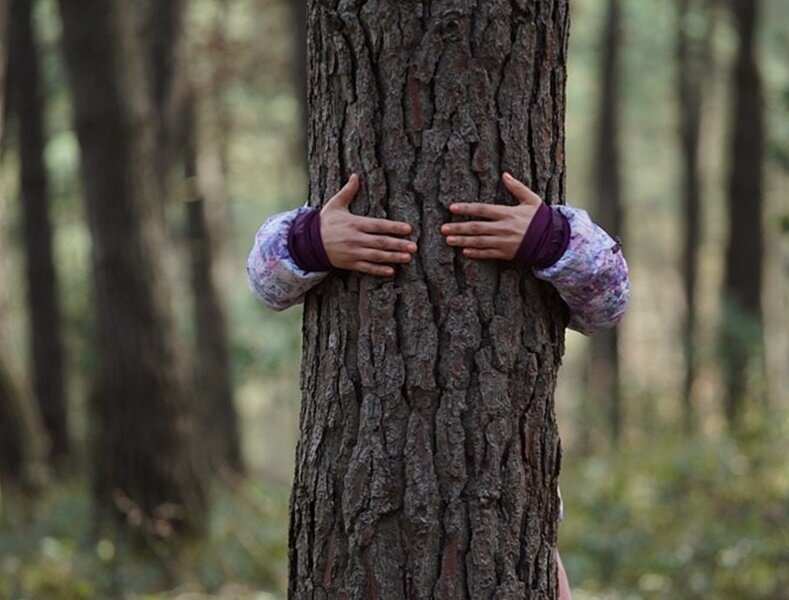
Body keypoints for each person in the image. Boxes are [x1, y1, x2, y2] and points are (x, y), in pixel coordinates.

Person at [247, 172, 630, 598]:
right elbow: (266, 285)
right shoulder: (332, 217)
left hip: (505, 522)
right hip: (360, 522)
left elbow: (608, 305)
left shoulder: (545, 226)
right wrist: (310, 240)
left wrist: (550, 238)